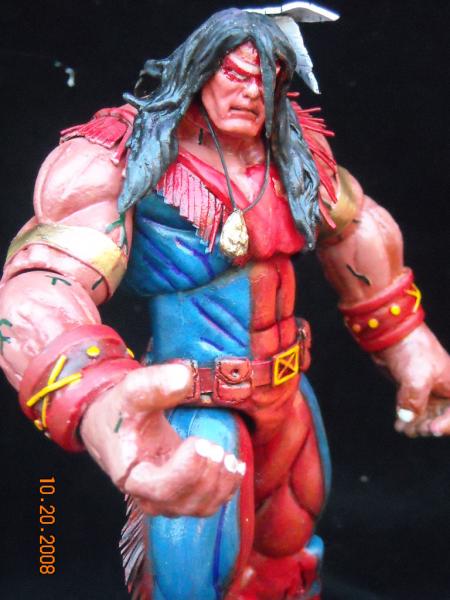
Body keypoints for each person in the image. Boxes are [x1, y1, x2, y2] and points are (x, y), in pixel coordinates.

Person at [0, 7, 448, 600]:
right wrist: (101, 402)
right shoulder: (125, 155)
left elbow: (354, 224)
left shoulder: (292, 149)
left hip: (288, 396)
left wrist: (406, 338)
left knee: (291, 557)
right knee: (193, 579)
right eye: (235, 73)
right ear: (200, 68)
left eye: (268, 80)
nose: (252, 93)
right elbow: (40, 282)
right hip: (198, 406)